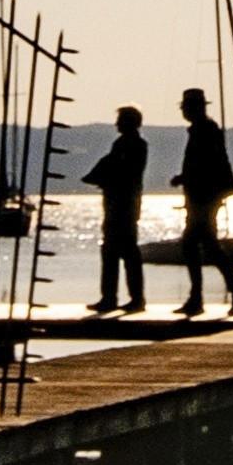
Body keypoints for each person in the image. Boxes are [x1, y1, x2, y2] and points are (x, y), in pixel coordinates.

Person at [172, 85, 233, 316]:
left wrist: (185, 178)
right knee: (207, 246)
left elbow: (207, 165)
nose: (184, 111)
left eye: (186, 107)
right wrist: (184, 178)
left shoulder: (205, 131)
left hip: (205, 197)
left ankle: (203, 298)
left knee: (195, 245)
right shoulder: (202, 129)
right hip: (202, 195)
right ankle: (229, 294)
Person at [82, 106, 150, 314]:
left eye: (120, 120)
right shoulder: (125, 144)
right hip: (118, 204)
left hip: (123, 206)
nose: (116, 124)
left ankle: (130, 299)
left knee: (124, 252)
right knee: (115, 252)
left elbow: (123, 171)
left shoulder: (133, 146)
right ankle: (115, 298)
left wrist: (103, 177)